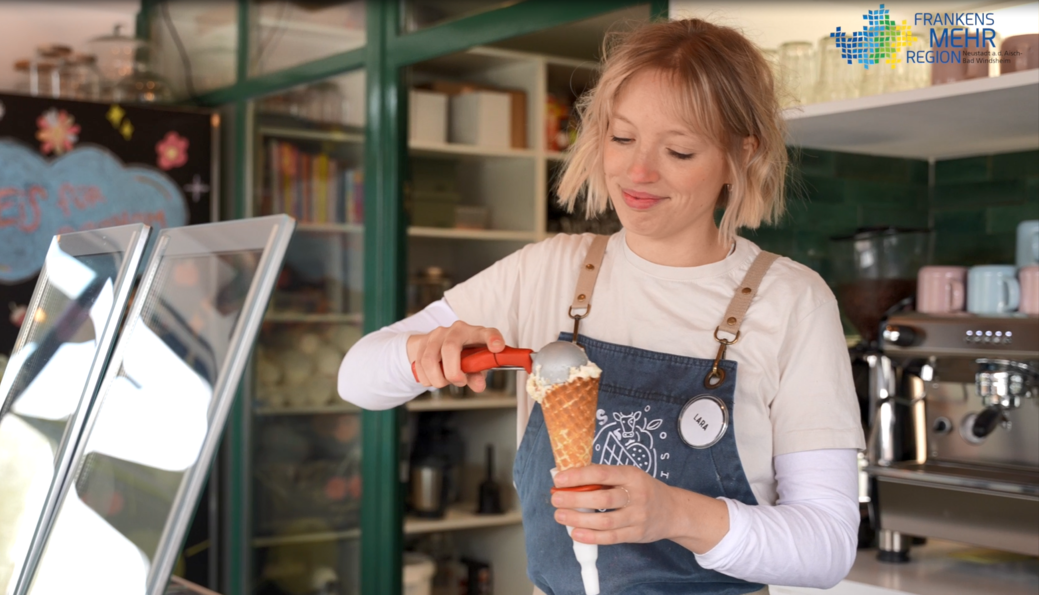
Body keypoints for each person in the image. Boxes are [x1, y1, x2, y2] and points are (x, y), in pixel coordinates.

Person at [338, 18, 864, 595]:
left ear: (741, 154)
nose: (638, 173)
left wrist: (674, 513)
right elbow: (356, 378)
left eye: (679, 150)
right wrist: (421, 353)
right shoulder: (549, 271)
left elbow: (826, 547)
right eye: (621, 138)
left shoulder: (791, 301)